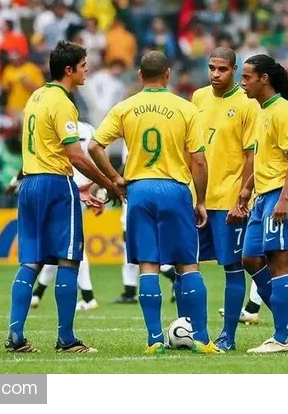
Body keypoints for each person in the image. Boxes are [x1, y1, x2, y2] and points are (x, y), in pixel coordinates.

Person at [88, 51, 223, 355]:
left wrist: (115, 179)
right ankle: (202, 339)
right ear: (167, 75)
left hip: (139, 190)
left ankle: (154, 340)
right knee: (187, 264)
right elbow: (199, 161)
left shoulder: (124, 107)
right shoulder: (185, 108)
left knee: (148, 265)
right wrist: (201, 200)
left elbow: (94, 146)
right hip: (175, 189)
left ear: (140, 75)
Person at [5, 41, 124, 354]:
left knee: (30, 261)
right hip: (55, 184)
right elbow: (76, 156)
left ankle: (15, 337)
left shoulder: (35, 97)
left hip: (30, 184)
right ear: (69, 70)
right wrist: (110, 182)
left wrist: (84, 190)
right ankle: (67, 339)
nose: (87, 70)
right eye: (83, 66)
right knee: (69, 260)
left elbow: (44, 147)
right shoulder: (62, 102)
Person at [238, 54, 288, 354]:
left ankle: (282, 338)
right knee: (250, 258)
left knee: (279, 263)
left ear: (263, 79)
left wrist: (285, 198)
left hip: (282, 194)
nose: (242, 83)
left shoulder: (283, 111)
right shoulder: (262, 110)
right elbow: (266, 156)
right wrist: (247, 188)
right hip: (263, 195)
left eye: (247, 77)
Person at [189, 47, 259, 351]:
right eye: (211, 68)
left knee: (232, 266)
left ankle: (228, 336)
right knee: (187, 266)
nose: (215, 74)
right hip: (197, 199)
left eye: (222, 69)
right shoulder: (198, 97)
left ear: (234, 70)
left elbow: (252, 154)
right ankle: (195, 333)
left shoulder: (247, 103)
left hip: (228, 199)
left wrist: (243, 196)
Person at [28, 121, 103, 312]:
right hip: (82, 188)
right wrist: (102, 188)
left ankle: (88, 296)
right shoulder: (89, 128)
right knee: (62, 245)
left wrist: (16, 180)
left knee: (68, 245)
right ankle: (38, 293)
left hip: (63, 186)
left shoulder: (54, 125)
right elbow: (99, 156)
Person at [113, 141, 177, 304]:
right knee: (134, 247)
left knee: (138, 246)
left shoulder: (133, 133)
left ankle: (172, 274)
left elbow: (130, 163)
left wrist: (114, 180)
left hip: (138, 189)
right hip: (160, 188)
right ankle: (129, 291)